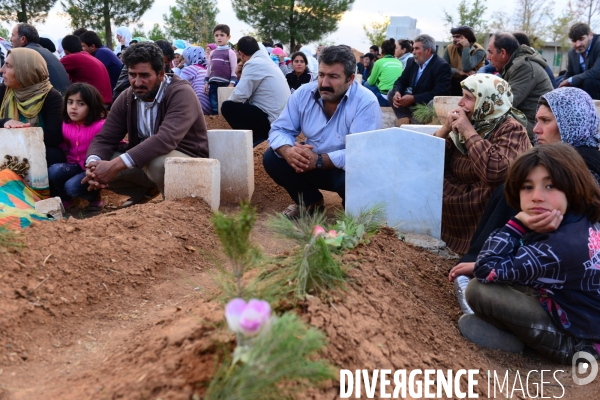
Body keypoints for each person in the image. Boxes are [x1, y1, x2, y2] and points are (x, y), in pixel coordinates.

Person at [455, 143, 600, 363]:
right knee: (501, 275)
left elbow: (486, 269)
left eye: (550, 186)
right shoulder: (581, 218)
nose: (537, 197)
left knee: (478, 291)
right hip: (577, 310)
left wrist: (517, 223)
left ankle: (525, 342)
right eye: (527, 187)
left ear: (572, 186)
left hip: (580, 342)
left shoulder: (558, 248)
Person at [450, 86, 600, 269]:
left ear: (570, 123)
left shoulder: (585, 168)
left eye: (545, 121)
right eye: (537, 120)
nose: (536, 129)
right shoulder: (563, 160)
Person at [264, 45, 382, 219]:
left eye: (333, 77)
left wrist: (319, 161)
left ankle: (353, 217)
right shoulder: (303, 94)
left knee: (357, 176)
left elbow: (360, 154)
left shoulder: (365, 102)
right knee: (272, 158)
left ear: (350, 78)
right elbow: (280, 129)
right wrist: (289, 151)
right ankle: (311, 203)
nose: (324, 83)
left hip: (344, 169)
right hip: (311, 163)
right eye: (321, 75)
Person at [83, 42, 209, 205]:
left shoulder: (181, 93)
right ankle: (145, 192)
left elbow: (165, 139)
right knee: (103, 161)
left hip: (188, 162)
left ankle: (174, 208)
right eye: (132, 75)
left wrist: (114, 166)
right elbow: (104, 138)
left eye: (144, 75)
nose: (137, 82)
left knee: (157, 162)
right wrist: (93, 164)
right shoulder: (127, 98)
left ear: (161, 74)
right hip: (148, 161)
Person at [435, 74, 530, 254]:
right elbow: (427, 159)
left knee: (494, 191)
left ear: (488, 101)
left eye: (469, 98)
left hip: (481, 202)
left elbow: (494, 171)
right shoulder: (472, 122)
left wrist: (468, 131)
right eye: (462, 96)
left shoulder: (511, 128)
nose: (461, 103)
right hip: (456, 193)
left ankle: (477, 252)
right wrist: (445, 129)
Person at [0, 48, 65, 167]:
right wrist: (5, 122)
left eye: (8, 66)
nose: (1, 70)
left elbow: (54, 138)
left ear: (24, 71)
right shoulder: (3, 90)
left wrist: (19, 132)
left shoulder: (51, 97)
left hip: (35, 149)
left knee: (54, 155)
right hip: (5, 146)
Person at [221, 36, 290, 146]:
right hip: (280, 119)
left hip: (270, 121)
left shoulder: (253, 63)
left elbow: (237, 97)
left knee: (228, 107)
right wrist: (241, 77)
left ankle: (256, 140)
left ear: (242, 54)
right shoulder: (266, 61)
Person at [49, 83, 107, 210]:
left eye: (81, 104)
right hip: (75, 165)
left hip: (92, 170)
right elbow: (65, 143)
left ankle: (94, 197)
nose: (73, 107)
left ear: (92, 106)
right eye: (70, 102)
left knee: (72, 187)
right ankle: (66, 199)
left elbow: (112, 143)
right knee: (54, 170)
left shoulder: (100, 126)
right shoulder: (66, 124)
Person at [487, 32, 553, 140]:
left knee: (493, 121)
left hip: (537, 127)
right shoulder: (513, 66)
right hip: (529, 122)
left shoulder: (523, 67)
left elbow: (504, 104)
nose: (488, 57)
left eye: (490, 52)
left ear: (503, 53)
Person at [387, 34, 452, 124]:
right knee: (391, 93)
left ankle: (421, 124)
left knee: (433, 102)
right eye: (413, 49)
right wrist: (397, 92)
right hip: (413, 102)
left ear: (428, 50)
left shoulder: (441, 66)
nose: (413, 52)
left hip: (427, 104)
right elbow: (401, 80)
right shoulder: (412, 61)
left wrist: (414, 98)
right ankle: (410, 121)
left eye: (417, 49)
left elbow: (440, 92)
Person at [9, 23, 70, 94]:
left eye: (13, 35)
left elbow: (15, 83)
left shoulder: (24, 54)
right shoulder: (45, 51)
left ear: (23, 39)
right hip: (65, 98)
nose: (10, 39)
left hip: (53, 101)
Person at [60, 35, 113, 106]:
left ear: (66, 52)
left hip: (95, 104)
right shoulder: (86, 55)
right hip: (105, 101)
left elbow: (54, 69)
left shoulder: (71, 58)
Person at [560, 22, 600, 99]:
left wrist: (572, 80)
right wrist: (561, 87)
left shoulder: (598, 45)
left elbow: (597, 72)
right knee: (562, 83)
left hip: (594, 84)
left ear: (590, 35)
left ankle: (593, 110)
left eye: (581, 39)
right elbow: (570, 73)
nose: (578, 44)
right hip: (586, 86)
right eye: (574, 41)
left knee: (589, 82)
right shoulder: (572, 52)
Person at [442, 26, 486, 96]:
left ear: (467, 38)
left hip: (472, 85)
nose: (454, 39)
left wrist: (466, 47)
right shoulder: (449, 48)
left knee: (467, 78)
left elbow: (466, 68)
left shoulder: (479, 51)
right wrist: (458, 71)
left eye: (458, 37)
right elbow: (443, 68)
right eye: (453, 37)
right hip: (453, 81)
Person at [204, 24, 237, 115]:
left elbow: (234, 68)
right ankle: (216, 124)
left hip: (226, 83)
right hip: (213, 83)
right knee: (214, 105)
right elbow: (209, 68)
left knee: (225, 104)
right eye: (217, 35)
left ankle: (225, 124)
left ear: (228, 37)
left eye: (222, 35)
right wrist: (206, 82)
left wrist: (231, 83)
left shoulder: (230, 52)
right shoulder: (213, 53)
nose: (219, 38)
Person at [365, 38, 403, 106]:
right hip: (396, 98)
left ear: (382, 50)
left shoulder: (379, 62)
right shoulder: (399, 62)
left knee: (365, 84)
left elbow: (371, 82)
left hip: (384, 99)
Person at [179, 46, 211, 115]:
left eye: (185, 58)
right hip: (209, 107)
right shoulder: (207, 69)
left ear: (190, 57)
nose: (184, 60)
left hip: (199, 106)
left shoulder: (191, 69)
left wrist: (178, 68)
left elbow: (177, 84)